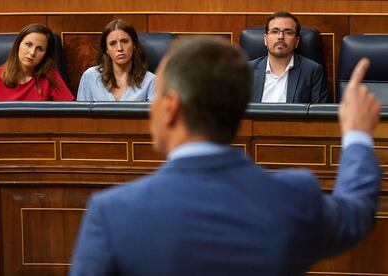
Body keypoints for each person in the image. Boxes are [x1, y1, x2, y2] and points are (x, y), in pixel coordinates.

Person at [69, 36, 381, 275]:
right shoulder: (293, 196)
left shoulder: (111, 214)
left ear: (170, 107)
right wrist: (356, 135)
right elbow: (356, 212)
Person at [0, 23, 74, 101]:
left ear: (46, 54)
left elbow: (70, 113)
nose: (32, 53)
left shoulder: (51, 77)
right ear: (18, 45)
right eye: (28, 44)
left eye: (39, 49)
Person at [249, 11, 328, 103]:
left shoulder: (312, 71)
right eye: (275, 31)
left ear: (297, 41)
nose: (280, 37)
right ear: (265, 39)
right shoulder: (246, 71)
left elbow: (318, 114)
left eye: (288, 32)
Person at [76, 19, 155, 101]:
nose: (120, 48)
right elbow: (80, 113)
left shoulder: (151, 81)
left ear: (134, 44)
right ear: (106, 49)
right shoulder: (90, 76)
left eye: (124, 41)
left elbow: (156, 113)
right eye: (113, 43)